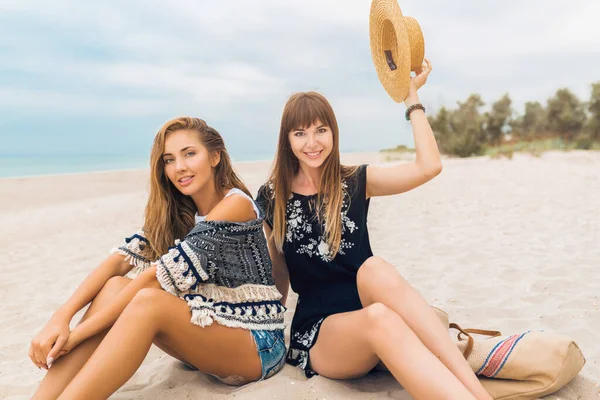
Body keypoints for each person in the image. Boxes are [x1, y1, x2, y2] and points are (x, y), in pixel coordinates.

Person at [256, 59, 493, 399]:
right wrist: (268, 334)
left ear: (333, 133)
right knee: (379, 317)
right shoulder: (272, 196)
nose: (312, 142)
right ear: (287, 140)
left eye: (320, 130)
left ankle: (476, 393)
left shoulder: (355, 181)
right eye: (300, 133)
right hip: (323, 335)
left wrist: (412, 99)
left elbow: (429, 166)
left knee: (374, 268)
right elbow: (279, 273)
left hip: (372, 313)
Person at [29, 117, 286, 400]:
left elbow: (156, 278)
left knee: (149, 300)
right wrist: (60, 319)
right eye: (169, 160)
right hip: (208, 332)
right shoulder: (180, 210)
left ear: (215, 157)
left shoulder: (236, 204)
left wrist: (75, 337)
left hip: (256, 343)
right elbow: (119, 261)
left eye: (190, 153)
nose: (180, 167)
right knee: (116, 285)